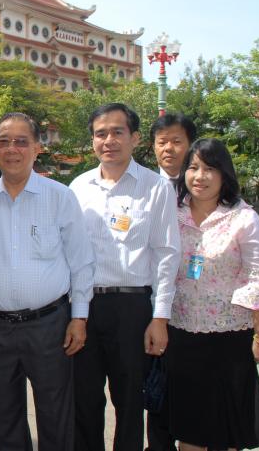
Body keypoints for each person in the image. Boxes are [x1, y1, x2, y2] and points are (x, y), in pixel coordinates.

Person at [0, 112, 95, 451]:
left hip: (49, 325)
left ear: (37, 148)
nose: (12, 149)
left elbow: (81, 261)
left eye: (21, 141)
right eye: (4, 141)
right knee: (5, 420)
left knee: (55, 416)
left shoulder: (60, 197)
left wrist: (79, 318)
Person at [69, 103, 181, 451]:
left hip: (132, 308)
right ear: (92, 141)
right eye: (100, 134)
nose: (109, 140)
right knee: (84, 400)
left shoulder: (155, 187)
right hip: (84, 306)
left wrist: (160, 317)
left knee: (130, 401)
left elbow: (166, 254)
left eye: (118, 132)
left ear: (135, 138)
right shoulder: (78, 187)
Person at [165, 138, 259, 450]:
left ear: (224, 174)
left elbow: (257, 279)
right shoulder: (172, 215)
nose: (200, 176)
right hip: (181, 335)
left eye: (209, 169)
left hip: (228, 339)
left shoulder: (244, 219)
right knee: (189, 431)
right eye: (193, 168)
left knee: (226, 432)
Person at [147, 112, 196, 451]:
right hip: (154, 304)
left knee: (194, 386)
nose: (169, 148)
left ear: (190, 144)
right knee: (157, 384)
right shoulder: (146, 187)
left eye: (177, 141)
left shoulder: (204, 186)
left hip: (196, 305)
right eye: (162, 142)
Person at [151, 113, 197, 182]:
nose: (168, 148)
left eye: (176, 142)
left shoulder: (201, 182)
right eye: (162, 143)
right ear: (154, 148)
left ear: (191, 146)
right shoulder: (143, 182)